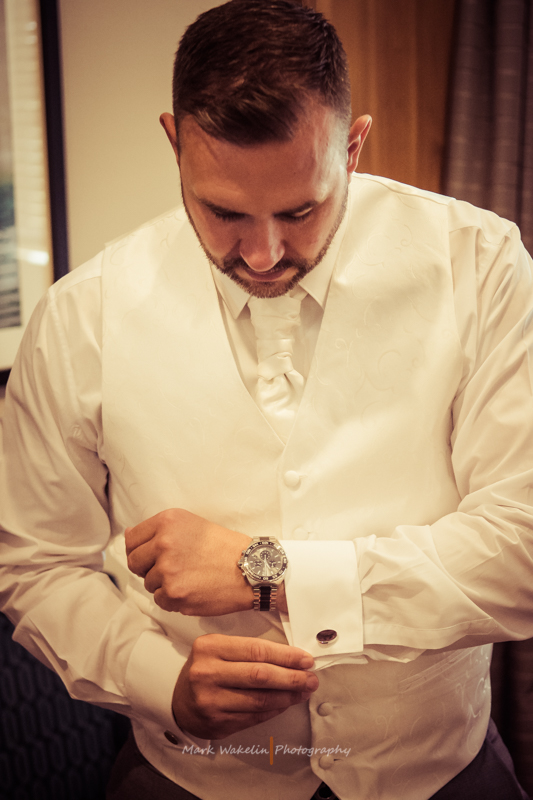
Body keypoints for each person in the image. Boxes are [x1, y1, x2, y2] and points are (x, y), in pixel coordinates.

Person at [1, 1, 532, 798]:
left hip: (438, 771)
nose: (262, 252)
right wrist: (155, 679)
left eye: (300, 210)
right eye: (222, 212)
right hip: (191, 775)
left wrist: (271, 576)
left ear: (351, 147)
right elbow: (36, 562)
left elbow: (522, 548)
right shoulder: (81, 317)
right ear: (174, 140)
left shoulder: (480, 265)